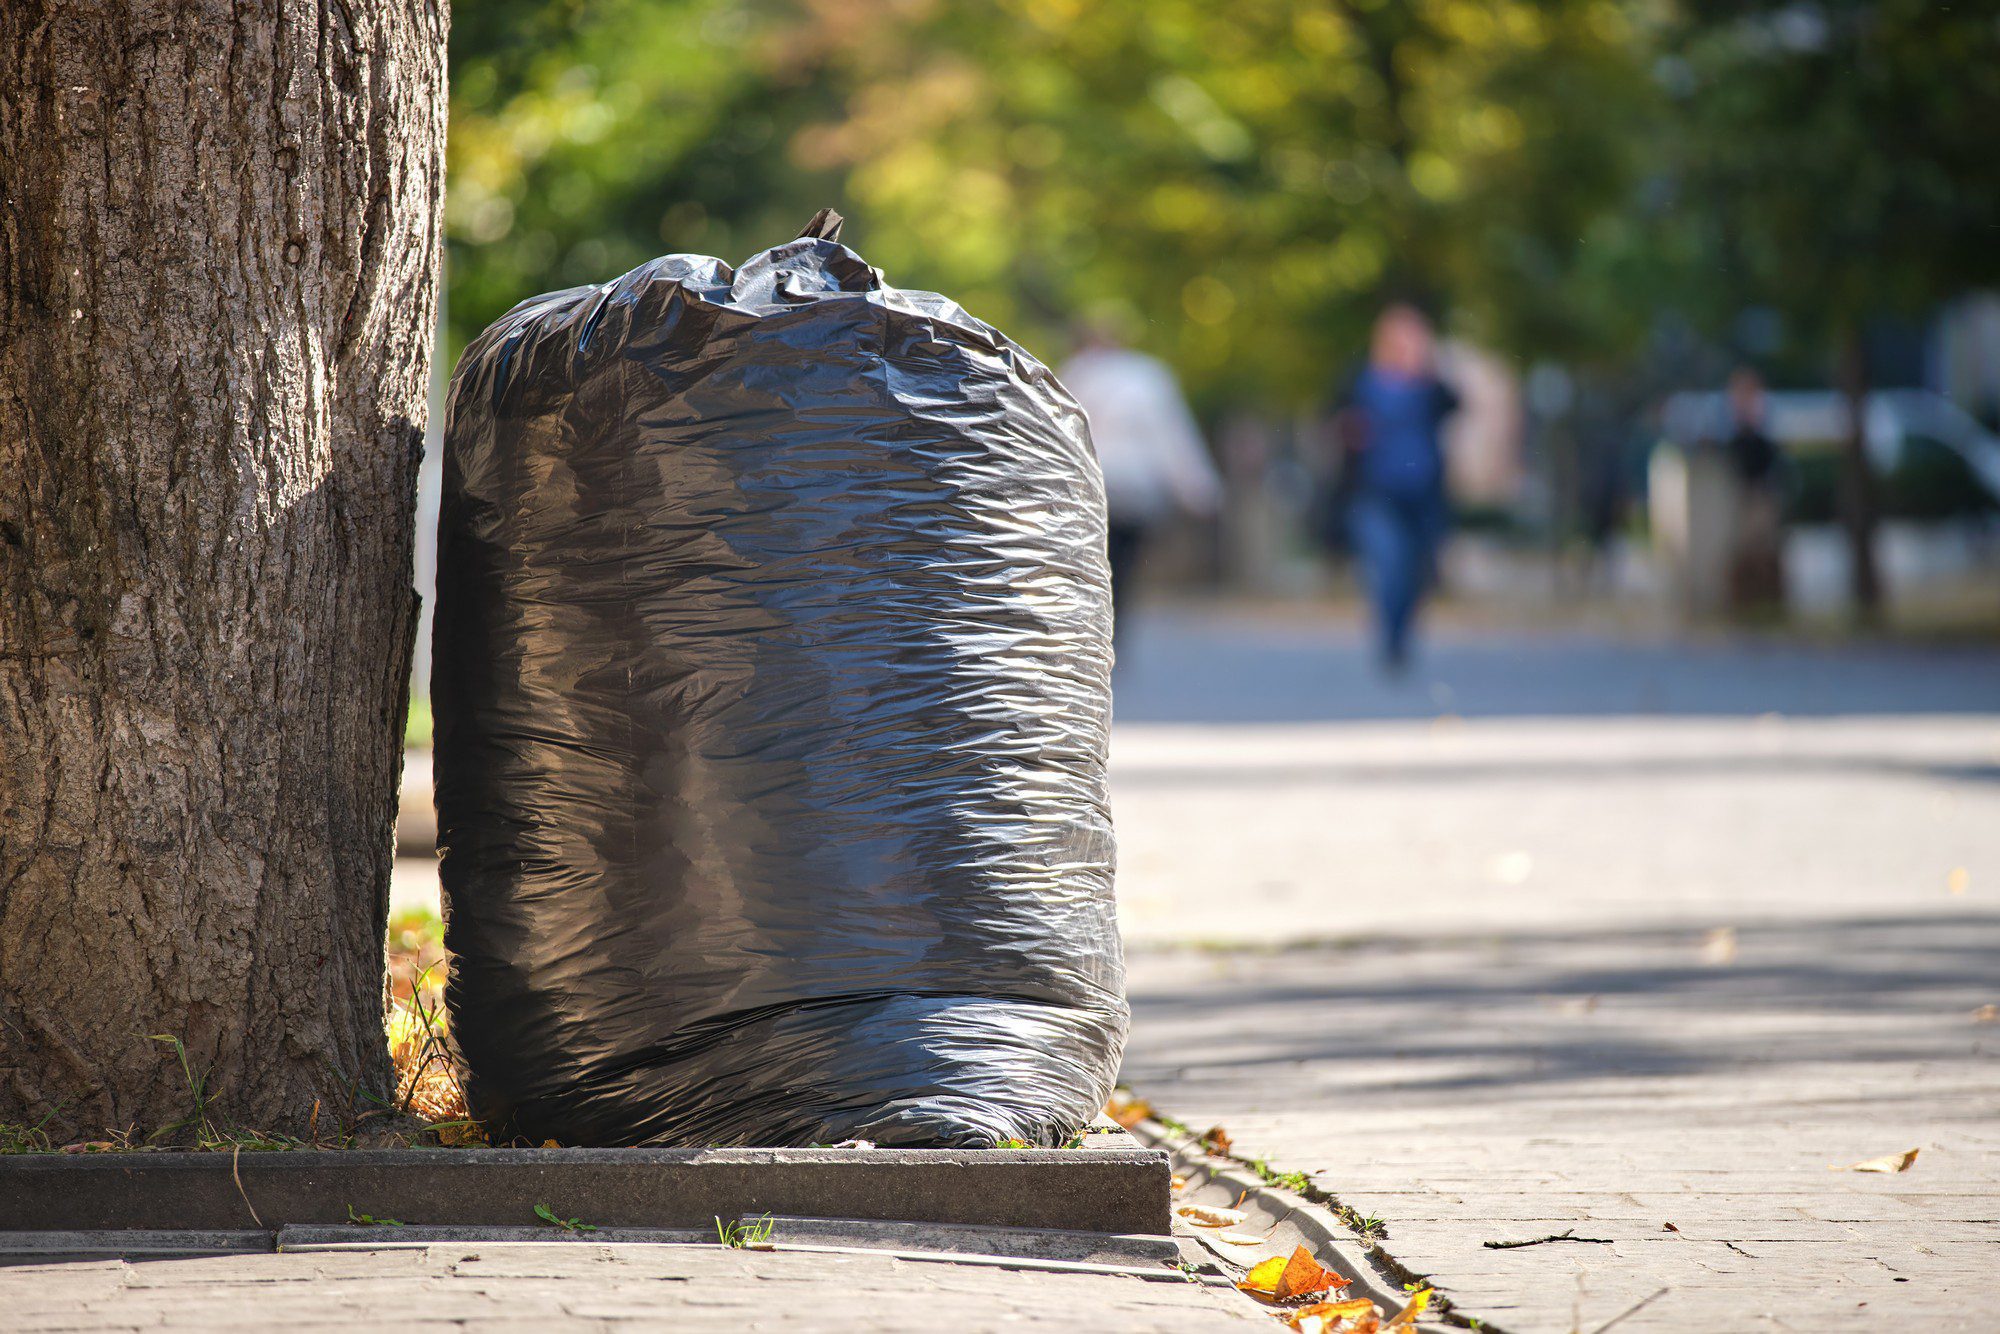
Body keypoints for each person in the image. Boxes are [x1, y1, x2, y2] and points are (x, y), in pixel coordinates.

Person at [1061, 324, 1221, 650]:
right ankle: (1113, 631)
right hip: (1135, 489)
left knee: (1089, 562)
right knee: (1123, 567)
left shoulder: (1071, 375)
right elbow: (1171, 435)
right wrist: (1198, 488)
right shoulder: (1147, 376)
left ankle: (1092, 629)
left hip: (1088, 485)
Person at [1336, 303, 1460, 674]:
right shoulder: (1361, 382)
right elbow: (1336, 421)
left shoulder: (1431, 387)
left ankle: (1402, 632)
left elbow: (1457, 404)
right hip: (1375, 491)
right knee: (1390, 563)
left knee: (1418, 569)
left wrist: (1429, 370)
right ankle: (1391, 639)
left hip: (1423, 493)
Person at [1722, 366, 1786, 612]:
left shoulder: (1764, 438)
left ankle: (1766, 603)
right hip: (1739, 502)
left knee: (1763, 551)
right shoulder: (1731, 438)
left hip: (1759, 499)